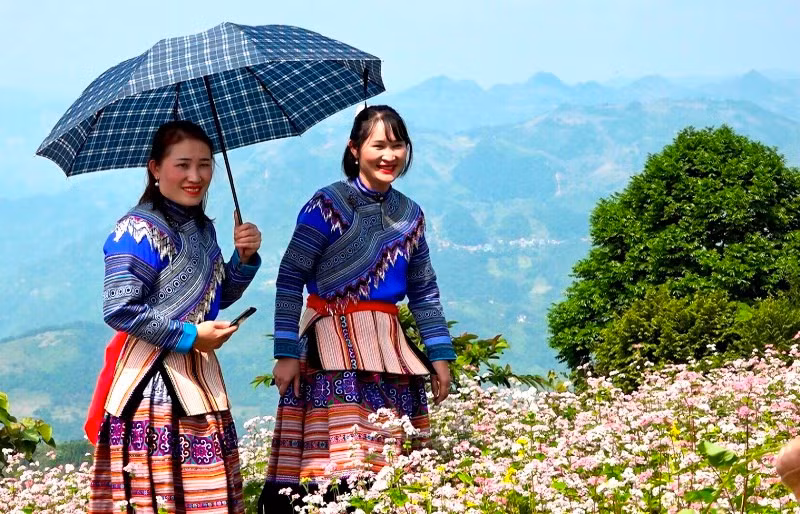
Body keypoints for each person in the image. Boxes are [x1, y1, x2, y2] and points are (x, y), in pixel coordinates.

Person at [259, 105, 455, 512]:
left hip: (389, 349)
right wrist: (285, 352)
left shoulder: (410, 215)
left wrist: (439, 355)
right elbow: (290, 277)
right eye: (378, 145)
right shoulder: (327, 205)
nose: (389, 155)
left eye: (397, 145)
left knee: (390, 472)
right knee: (333, 470)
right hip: (331, 347)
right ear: (354, 149)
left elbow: (422, 289)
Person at [87, 120, 262, 513]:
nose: (195, 176)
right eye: (183, 165)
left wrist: (244, 259)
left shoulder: (202, 229)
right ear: (155, 168)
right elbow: (118, 307)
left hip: (200, 378)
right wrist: (190, 336)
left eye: (205, 165)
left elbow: (214, 298)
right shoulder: (137, 230)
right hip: (154, 384)